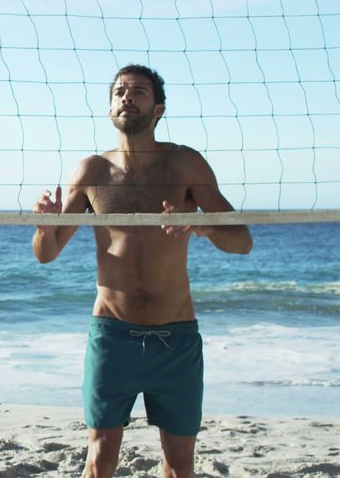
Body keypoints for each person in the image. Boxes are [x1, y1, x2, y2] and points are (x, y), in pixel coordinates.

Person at [32, 64, 252, 478]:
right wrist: (45, 229)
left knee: (178, 465)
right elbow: (46, 253)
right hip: (113, 336)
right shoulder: (92, 172)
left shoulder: (185, 164)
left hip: (177, 338)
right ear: (110, 107)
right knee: (99, 461)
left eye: (138, 91)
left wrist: (201, 226)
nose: (127, 97)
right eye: (119, 91)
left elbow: (242, 240)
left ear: (158, 110)